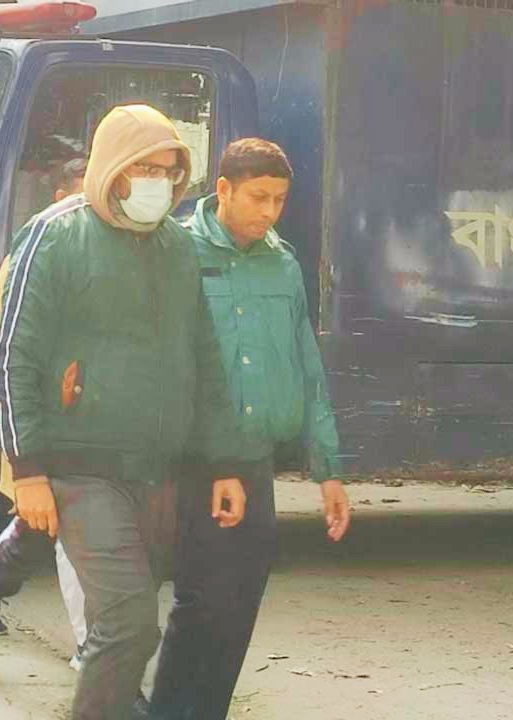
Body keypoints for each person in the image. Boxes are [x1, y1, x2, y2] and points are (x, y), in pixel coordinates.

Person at [0, 105, 253, 720]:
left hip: (158, 472)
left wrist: (225, 462)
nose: (158, 182)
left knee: (132, 624)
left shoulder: (177, 247)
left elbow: (204, 356)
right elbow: (14, 358)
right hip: (80, 470)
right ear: (113, 168)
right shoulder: (56, 238)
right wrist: (28, 471)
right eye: (144, 168)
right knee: (130, 622)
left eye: (168, 170)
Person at [148, 138, 352, 720]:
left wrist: (328, 470)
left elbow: (306, 363)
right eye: (259, 197)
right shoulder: (177, 253)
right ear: (223, 190)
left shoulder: (282, 263)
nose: (270, 212)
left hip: (255, 459)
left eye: (279, 200)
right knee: (202, 600)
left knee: (240, 602)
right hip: (194, 459)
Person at [0, 158, 90, 684]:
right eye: (78, 194)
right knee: (68, 529)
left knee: (50, 525)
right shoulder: (34, 249)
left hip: (99, 420)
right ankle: (94, 648)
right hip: (40, 415)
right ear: (59, 197)